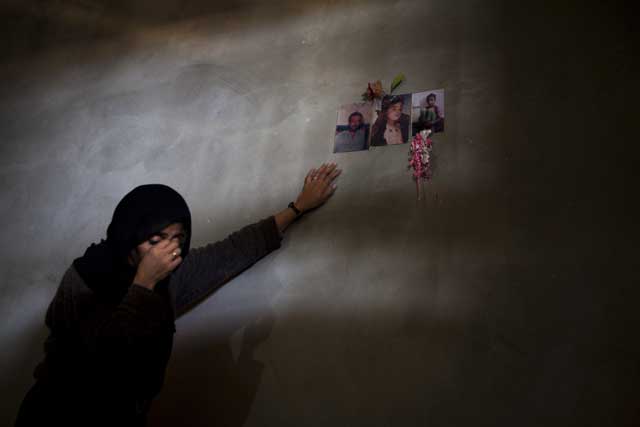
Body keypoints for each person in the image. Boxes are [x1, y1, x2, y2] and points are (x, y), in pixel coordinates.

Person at [14, 163, 342, 427]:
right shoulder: (84, 280)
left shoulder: (171, 275)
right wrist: (142, 285)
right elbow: (103, 366)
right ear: (129, 236)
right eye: (156, 239)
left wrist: (297, 207)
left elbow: (231, 252)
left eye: (178, 238)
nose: (169, 250)